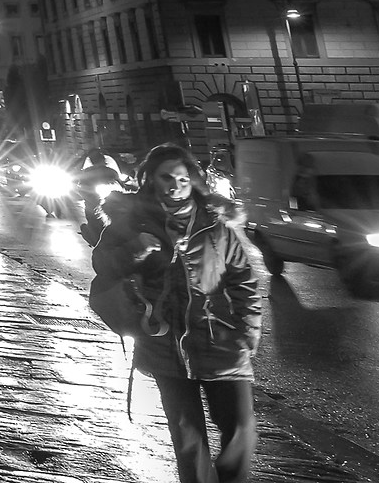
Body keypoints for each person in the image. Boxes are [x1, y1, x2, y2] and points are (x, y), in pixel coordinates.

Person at [92, 145, 264, 483]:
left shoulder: (216, 225)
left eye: (183, 178)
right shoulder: (130, 223)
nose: (175, 185)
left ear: (193, 181)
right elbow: (103, 266)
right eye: (166, 177)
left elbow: (244, 279)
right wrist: (136, 249)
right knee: (188, 442)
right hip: (163, 340)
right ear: (151, 180)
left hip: (220, 338)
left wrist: (249, 330)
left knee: (242, 427)